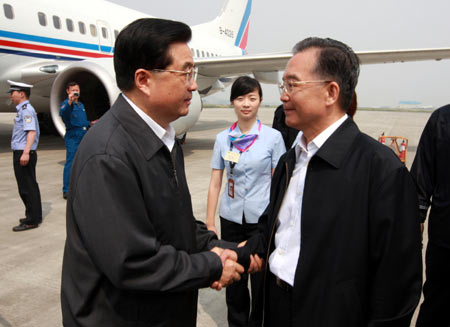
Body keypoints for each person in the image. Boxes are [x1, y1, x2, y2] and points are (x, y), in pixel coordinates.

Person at [61, 18, 246, 327]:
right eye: (185, 72)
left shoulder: (163, 138)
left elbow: (173, 224)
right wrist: (212, 266)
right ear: (144, 80)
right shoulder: (108, 155)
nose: (192, 84)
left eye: (193, 72)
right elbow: (133, 262)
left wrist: (226, 249)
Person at [241, 37, 423, 326]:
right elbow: (272, 232)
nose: (284, 96)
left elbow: (397, 286)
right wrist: (233, 254)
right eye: (283, 86)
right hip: (275, 308)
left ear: (331, 92)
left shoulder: (381, 170)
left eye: (293, 85)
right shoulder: (291, 160)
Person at [206, 76, 285, 326]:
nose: (246, 104)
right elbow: (215, 182)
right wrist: (209, 222)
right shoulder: (223, 139)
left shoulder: (273, 138)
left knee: (261, 281)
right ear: (233, 102)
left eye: (252, 98)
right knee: (234, 283)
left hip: (260, 221)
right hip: (230, 218)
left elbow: (279, 185)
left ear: (260, 101)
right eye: (240, 98)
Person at [411, 104, 450, 327]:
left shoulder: (442, 119)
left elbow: (420, 181)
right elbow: (420, 181)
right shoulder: (441, 120)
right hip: (445, 242)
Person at [9, 80, 42, 232]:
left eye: (13, 92)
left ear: (21, 94)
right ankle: (35, 215)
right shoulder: (24, 109)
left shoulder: (26, 110)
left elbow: (31, 132)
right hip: (25, 151)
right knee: (31, 185)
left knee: (26, 187)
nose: (11, 95)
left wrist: (26, 152)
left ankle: (31, 220)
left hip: (23, 153)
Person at [59, 82, 94, 199]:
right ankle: (67, 189)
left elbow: (81, 122)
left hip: (84, 133)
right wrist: (69, 101)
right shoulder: (67, 105)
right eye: (73, 90)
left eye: (77, 90)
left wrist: (91, 123)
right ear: (68, 91)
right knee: (71, 162)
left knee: (85, 160)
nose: (76, 92)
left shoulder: (80, 105)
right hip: (73, 136)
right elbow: (63, 113)